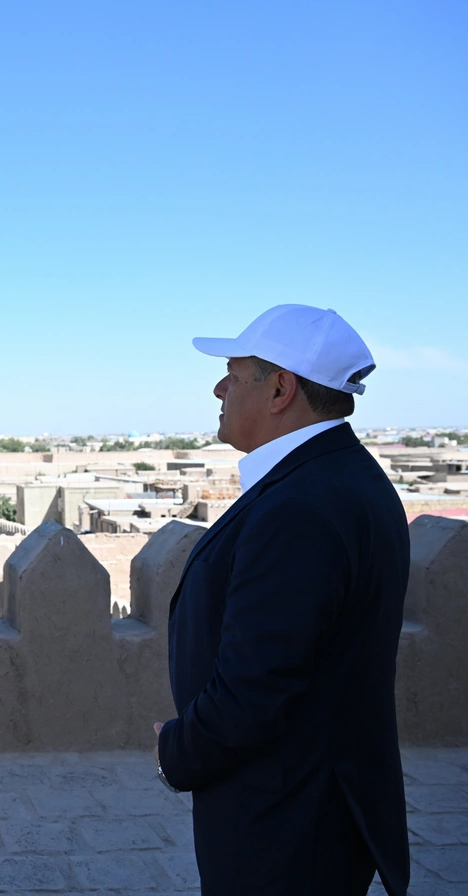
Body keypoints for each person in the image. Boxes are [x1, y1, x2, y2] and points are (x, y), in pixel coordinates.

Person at [154, 305, 410, 895]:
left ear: (280, 389)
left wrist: (177, 750)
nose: (218, 389)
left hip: (286, 817)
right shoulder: (334, 478)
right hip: (302, 803)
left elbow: (256, 686)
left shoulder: (301, 507)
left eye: (232, 374)